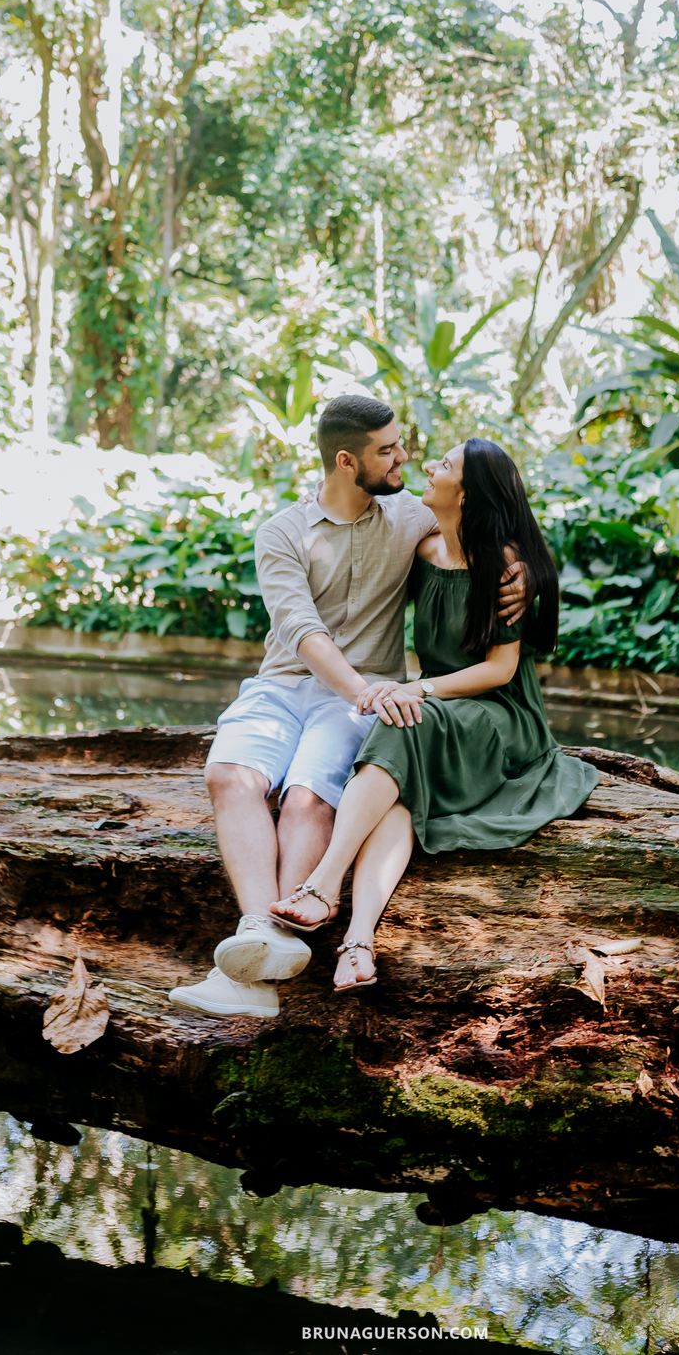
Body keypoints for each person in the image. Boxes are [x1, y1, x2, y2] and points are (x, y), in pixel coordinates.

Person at [168, 399, 526, 1020]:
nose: (403, 457)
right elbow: (302, 631)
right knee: (230, 776)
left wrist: (515, 565)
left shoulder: (411, 516)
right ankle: (261, 932)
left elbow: (482, 520)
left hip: (364, 696)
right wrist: (359, 688)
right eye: (387, 450)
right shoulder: (283, 533)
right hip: (284, 685)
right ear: (345, 460)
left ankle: (256, 969)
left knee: (308, 797)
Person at [267, 438, 599, 992]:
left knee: (403, 718)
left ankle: (323, 882)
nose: (427, 466)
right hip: (439, 708)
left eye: (443, 466)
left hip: (499, 715)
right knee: (399, 789)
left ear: (467, 496)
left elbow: (498, 670)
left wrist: (417, 690)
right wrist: (412, 693)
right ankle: (358, 942)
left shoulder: (504, 565)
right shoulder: (422, 553)